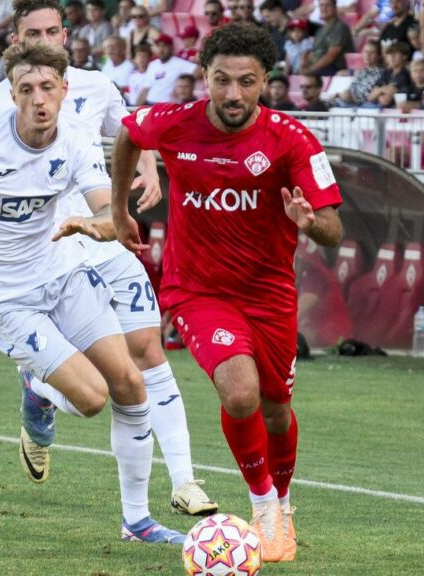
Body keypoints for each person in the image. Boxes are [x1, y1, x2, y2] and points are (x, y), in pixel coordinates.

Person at [0, 43, 186, 546]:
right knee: (90, 398)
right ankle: (37, 387)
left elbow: (113, 218)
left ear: (65, 91)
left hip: (58, 271)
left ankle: (137, 522)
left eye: (48, 88)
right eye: (26, 90)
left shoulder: (76, 143)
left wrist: (93, 224)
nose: (38, 99)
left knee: (131, 384)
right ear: (12, 95)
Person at [0, 0, 215, 519]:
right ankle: (41, 390)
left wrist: (148, 168)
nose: (44, 39)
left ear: (66, 33)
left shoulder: (96, 86)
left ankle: (185, 481)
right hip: (50, 250)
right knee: (101, 386)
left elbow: (132, 130)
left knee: (149, 351)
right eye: (32, 32)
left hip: (103, 231)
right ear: (15, 42)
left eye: (52, 30)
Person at [111, 23, 343, 564]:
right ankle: (263, 508)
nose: (232, 94)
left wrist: (308, 222)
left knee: (276, 408)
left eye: (245, 81)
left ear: (266, 80)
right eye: (221, 80)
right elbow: (128, 135)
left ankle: (283, 501)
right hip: (197, 291)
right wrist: (119, 207)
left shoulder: (293, 140)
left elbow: (333, 228)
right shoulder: (174, 123)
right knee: (240, 393)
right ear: (205, 78)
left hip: (269, 295)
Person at [136, 34, 197, 105]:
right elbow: (145, 89)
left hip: (167, 106)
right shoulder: (152, 65)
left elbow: (200, 71)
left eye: (164, 46)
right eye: (158, 46)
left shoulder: (179, 63)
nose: (161, 49)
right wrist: (136, 109)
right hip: (149, 105)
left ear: (171, 47)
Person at [302, 0, 354, 77]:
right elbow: (313, 53)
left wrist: (312, 69)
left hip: (333, 69)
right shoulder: (320, 30)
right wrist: (304, 65)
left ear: (335, 7)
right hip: (318, 68)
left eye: (327, 5)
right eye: (321, 5)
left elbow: (332, 55)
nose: (324, 8)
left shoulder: (340, 27)